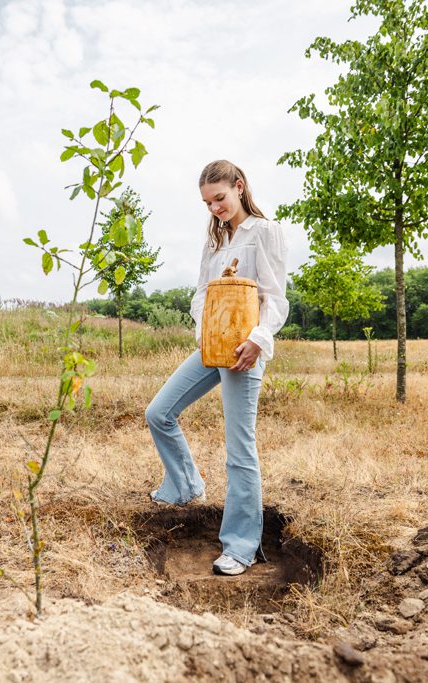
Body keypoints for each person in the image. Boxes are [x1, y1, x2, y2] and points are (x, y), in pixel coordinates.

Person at [145, 160, 288, 576]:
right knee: (159, 412)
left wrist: (258, 340)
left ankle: (241, 546)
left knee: (239, 449)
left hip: (245, 351)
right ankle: (185, 484)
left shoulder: (264, 232)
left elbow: (275, 298)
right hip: (212, 345)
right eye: (207, 202)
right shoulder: (214, 240)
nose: (214, 208)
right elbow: (201, 295)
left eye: (220, 198)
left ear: (239, 187)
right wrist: (204, 330)